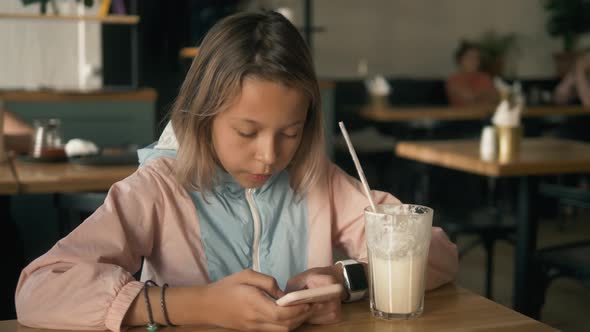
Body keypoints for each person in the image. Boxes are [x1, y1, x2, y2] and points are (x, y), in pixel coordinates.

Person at [15, 11, 459, 332]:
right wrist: (194, 306)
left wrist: (345, 282)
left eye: (290, 131)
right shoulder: (158, 188)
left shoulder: (317, 179)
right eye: (246, 132)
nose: (269, 156)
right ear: (202, 116)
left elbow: (436, 252)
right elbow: (39, 291)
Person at [446, 41, 498, 107]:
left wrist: (478, 96)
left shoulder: (485, 77)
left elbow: (495, 97)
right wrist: (484, 95)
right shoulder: (454, 80)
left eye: (476, 58)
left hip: (486, 114)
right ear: (460, 60)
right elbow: (469, 97)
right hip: (462, 116)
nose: (474, 61)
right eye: (469, 57)